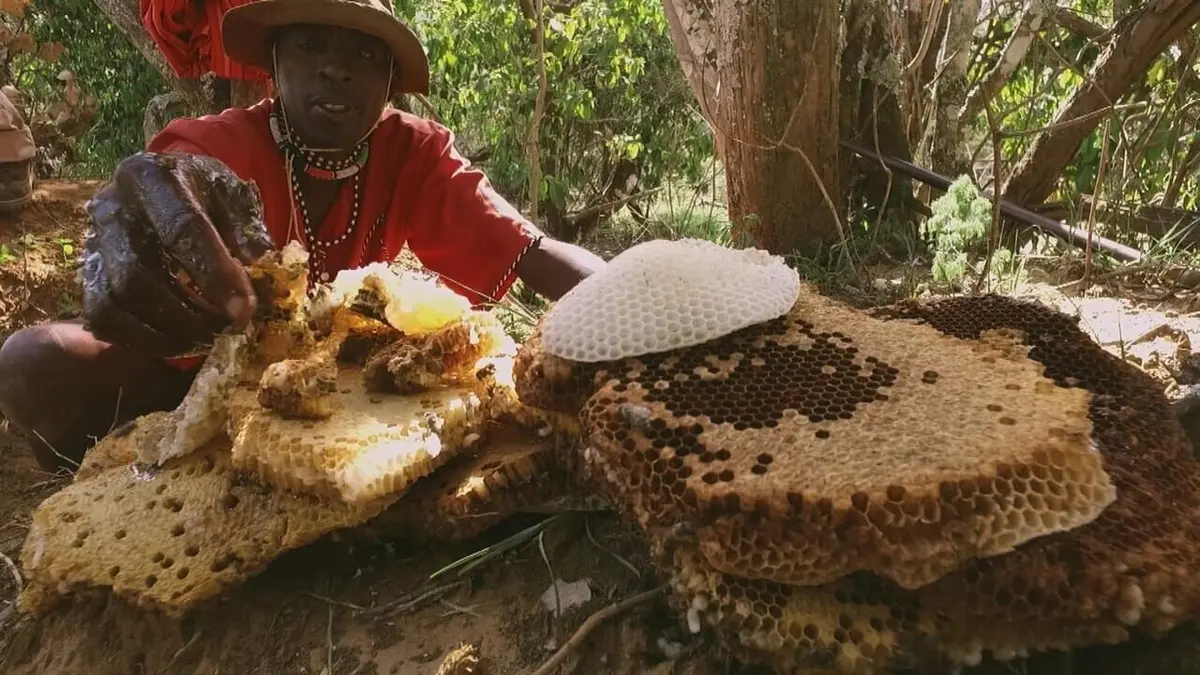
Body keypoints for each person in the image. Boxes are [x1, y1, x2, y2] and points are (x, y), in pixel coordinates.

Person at [0, 0, 605, 473]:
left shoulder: (415, 153)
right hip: (191, 375)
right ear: (274, 65)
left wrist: (646, 295)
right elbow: (172, 183)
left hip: (333, 393)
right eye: (310, 44)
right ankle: (101, 496)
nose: (336, 69)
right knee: (29, 363)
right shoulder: (218, 146)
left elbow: (534, 252)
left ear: (391, 81)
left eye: (364, 55)